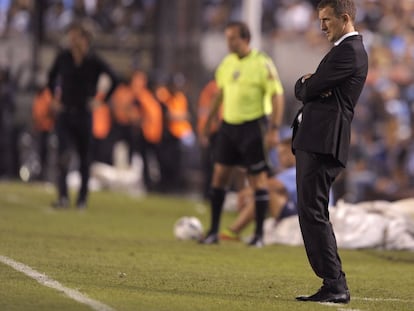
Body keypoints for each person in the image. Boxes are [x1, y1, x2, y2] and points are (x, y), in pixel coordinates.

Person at [291, 0, 368, 304]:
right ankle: (332, 282)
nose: (321, 27)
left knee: (313, 212)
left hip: (323, 140)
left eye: (326, 20)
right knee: (312, 211)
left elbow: (308, 89)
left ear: (344, 18)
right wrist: (308, 85)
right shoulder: (343, 51)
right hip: (317, 139)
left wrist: (309, 84)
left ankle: (335, 283)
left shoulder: (349, 52)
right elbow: (307, 88)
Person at [199, 21, 285, 247]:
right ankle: (213, 232)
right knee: (219, 176)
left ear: (245, 39)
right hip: (229, 126)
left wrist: (274, 129)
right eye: (227, 38)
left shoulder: (262, 63)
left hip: (253, 126)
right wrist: (208, 122)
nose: (229, 43)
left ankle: (258, 236)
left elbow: (277, 96)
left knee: (257, 179)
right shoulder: (226, 64)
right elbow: (220, 94)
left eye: (232, 38)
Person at [47, 21, 118, 209]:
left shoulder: (94, 60)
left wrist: (101, 100)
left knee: (84, 158)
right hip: (65, 113)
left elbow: (115, 78)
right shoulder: (63, 57)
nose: (72, 39)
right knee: (63, 155)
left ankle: (82, 199)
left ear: (85, 38)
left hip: (83, 114)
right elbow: (51, 77)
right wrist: (54, 97)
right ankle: (62, 196)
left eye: (76, 35)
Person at [220, 137, 297, 241]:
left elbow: (271, 185)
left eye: (283, 153)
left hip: (298, 215)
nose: (279, 158)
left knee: (265, 193)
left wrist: (246, 192)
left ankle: (233, 231)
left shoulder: (296, 171)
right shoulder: (292, 171)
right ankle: (242, 232)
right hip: (294, 210)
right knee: (262, 194)